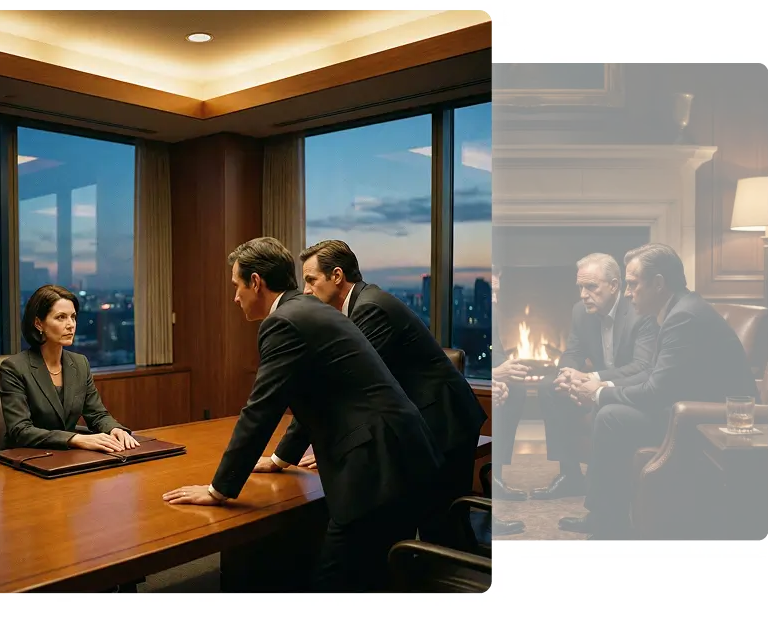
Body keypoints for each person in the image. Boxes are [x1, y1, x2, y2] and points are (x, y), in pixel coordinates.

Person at [161, 237, 442, 592]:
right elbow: (313, 394)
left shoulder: (283, 322)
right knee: (375, 578)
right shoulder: (313, 310)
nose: (235, 298)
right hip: (401, 455)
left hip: (375, 466)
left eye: (236, 286)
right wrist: (280, 459)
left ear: (256, 282)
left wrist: (219, 490)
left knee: (335, 583)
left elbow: (261, 409)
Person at [296, 240, 488, 545]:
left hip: (444, 423)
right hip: (425, 422)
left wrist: (294, 454)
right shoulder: (360, 305)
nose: (305, 291)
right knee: (430, 523)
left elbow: (341, 387)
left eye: (310, 280)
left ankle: (463, 586)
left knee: (442, 528)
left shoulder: (370, 308)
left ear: (336, 276)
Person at [563, 243, 758, 539]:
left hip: (708, 423)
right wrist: (604, 386)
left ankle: (609, 526)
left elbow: (656, 390)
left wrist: (600, 393)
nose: (627, 294)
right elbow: (656, 376)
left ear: (658, 283)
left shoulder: (683, 317)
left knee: (611, 415)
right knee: (609, 410)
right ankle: (604, 515)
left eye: (632, 284)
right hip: (686, 406)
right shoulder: (678, 309)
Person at [531, 253, 657, 501]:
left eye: (590, 287)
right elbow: (573, 351)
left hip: (627, 386)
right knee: (550, 387)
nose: (583, 294)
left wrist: (591, 376)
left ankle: (603, 488)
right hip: (595, 380)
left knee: (602, 401)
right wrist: (567, 374)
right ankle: (570, 475)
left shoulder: (639, 311)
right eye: (580, 287)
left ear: (613, 285)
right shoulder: (580, 311)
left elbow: (642, 366)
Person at [0, 285, 138, 451]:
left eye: (73, 317)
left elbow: (97, 414)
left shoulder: (80, 363)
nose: (71, 324)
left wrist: (115, 429)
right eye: (61, 317)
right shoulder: (14, 368)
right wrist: (74, 439)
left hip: (65, 458)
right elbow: (20, 430)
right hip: (26, 458)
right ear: (38, 323)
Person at [487, 266, 528, 536]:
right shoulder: (456, 318)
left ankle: (496, 476)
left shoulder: (493, 313)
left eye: (498, 292)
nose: (495, 299)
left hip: (485, 382)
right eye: (490, 291)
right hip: (460, 387)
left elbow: (498, 355)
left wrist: (505, 372)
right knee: (502, 388)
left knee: (516, 389)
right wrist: (493, 375)